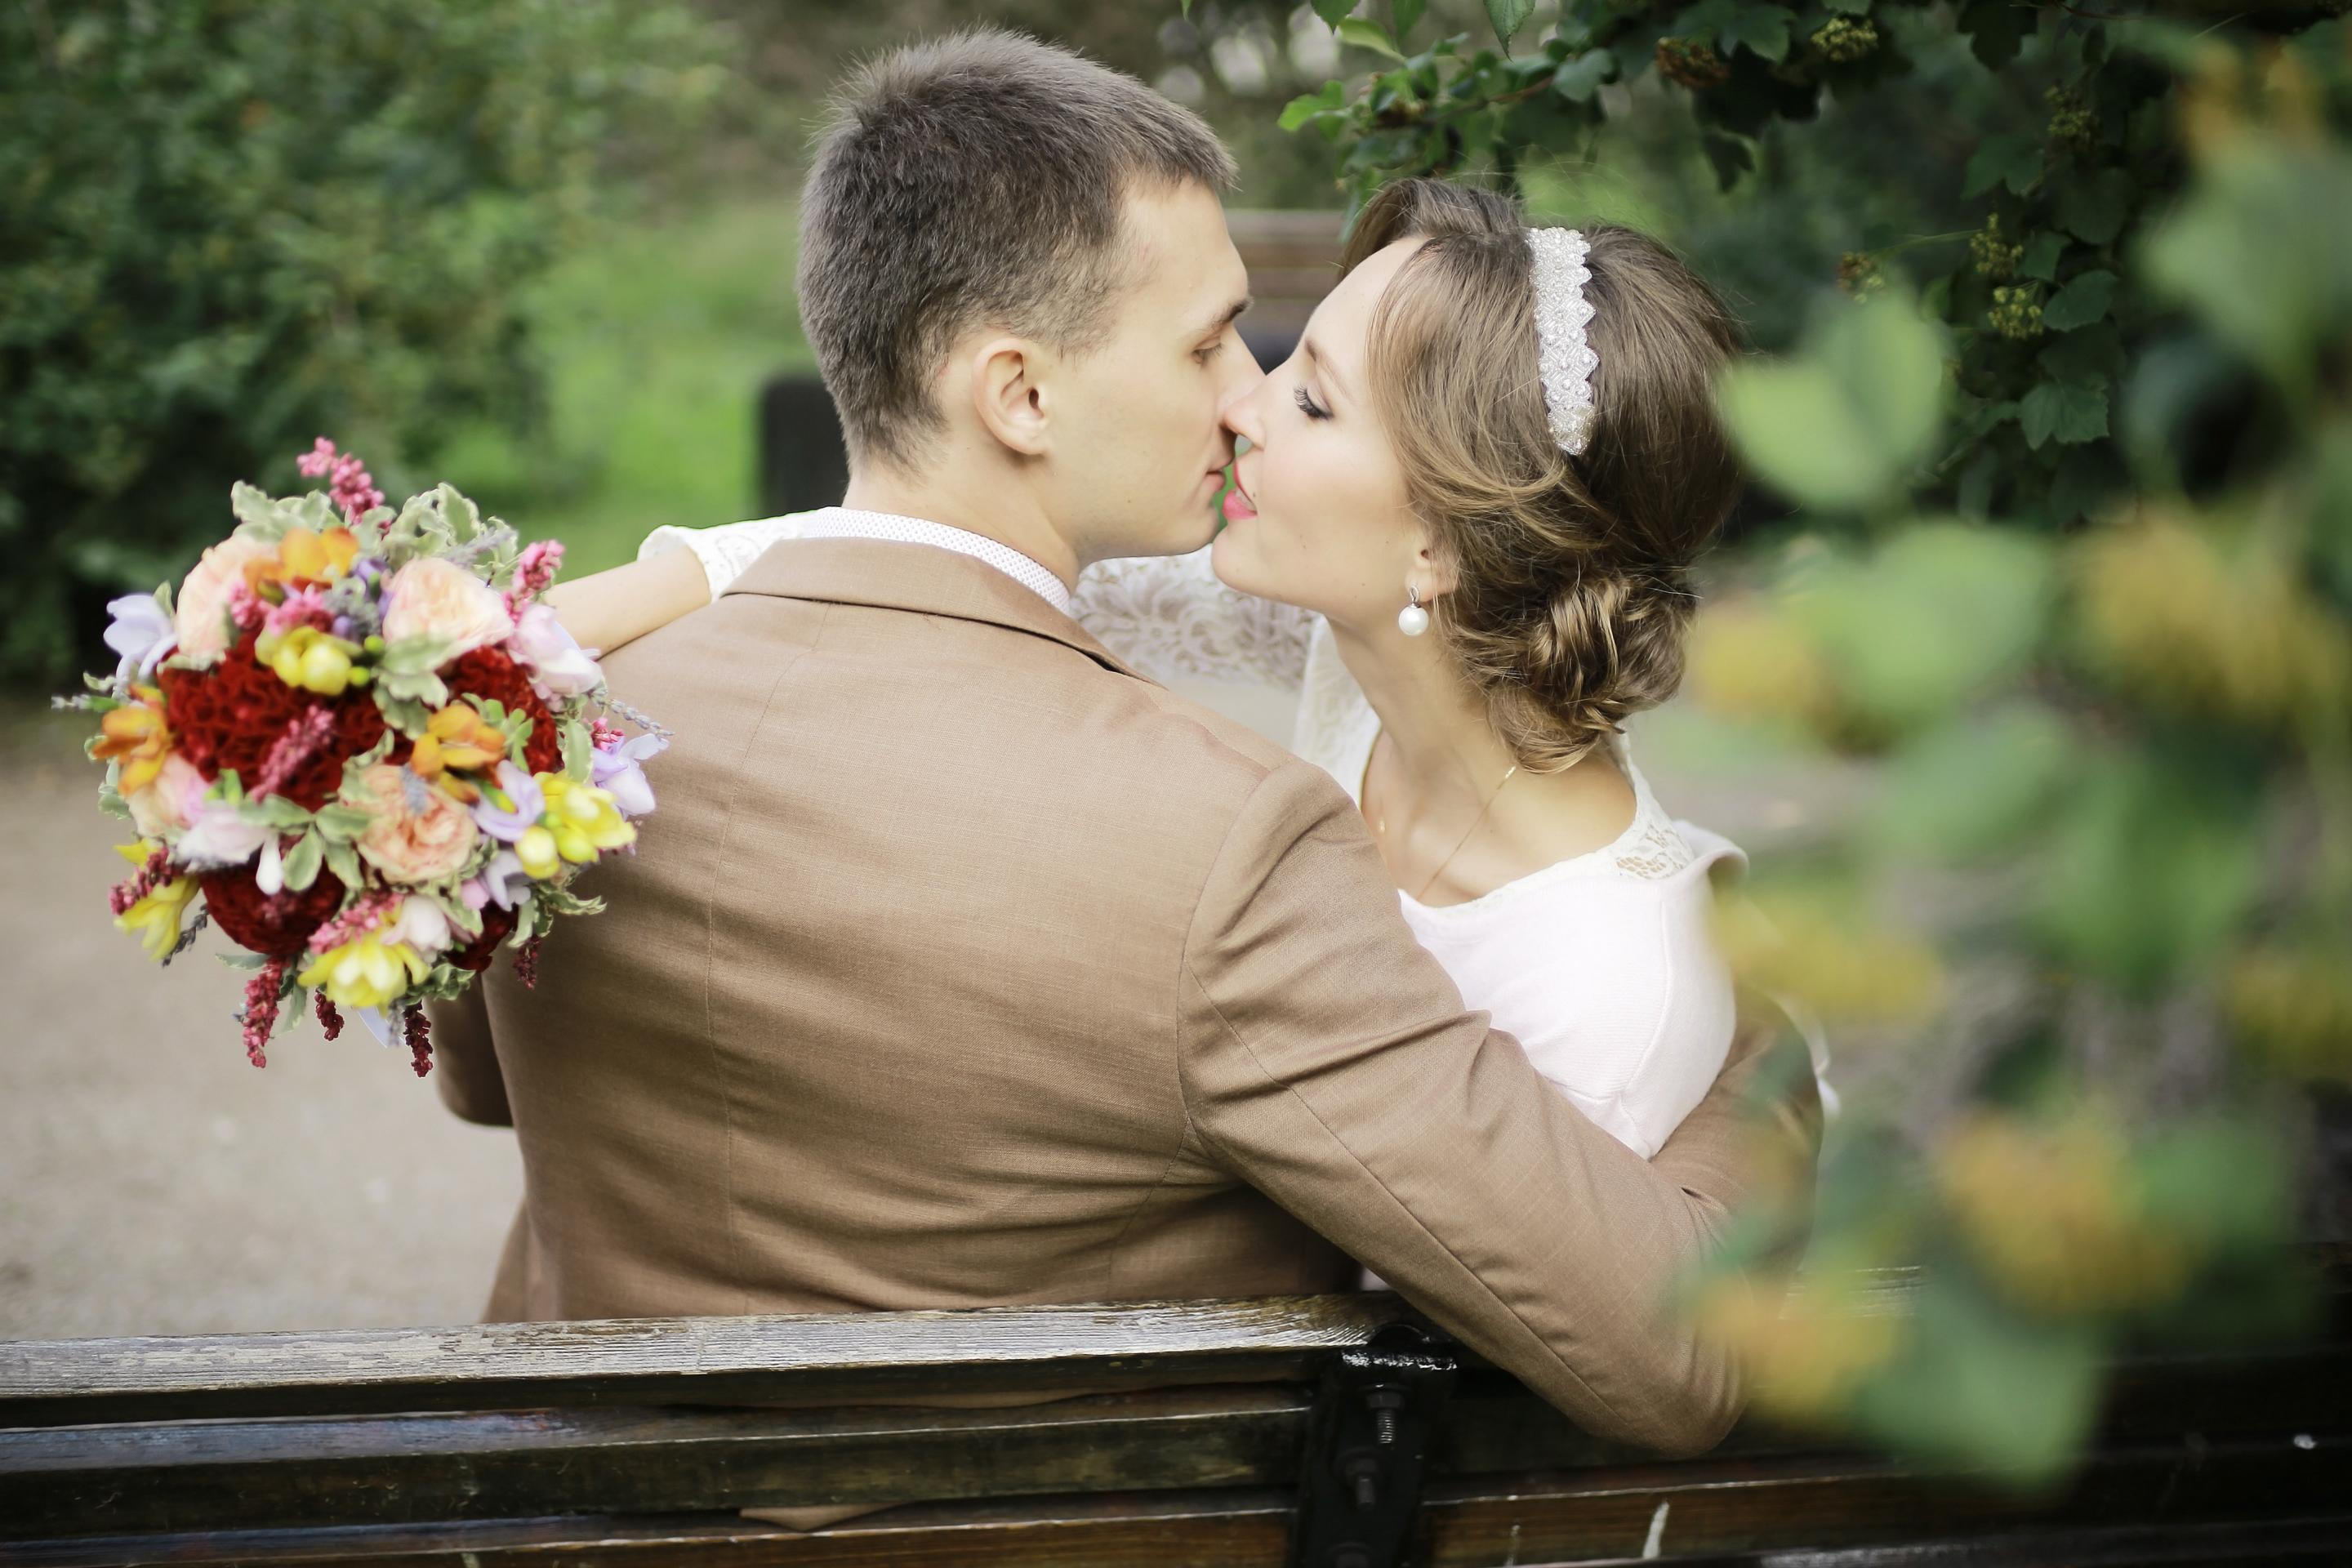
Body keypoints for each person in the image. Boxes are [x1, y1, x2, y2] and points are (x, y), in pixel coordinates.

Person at [432, 28, 1819, 1458]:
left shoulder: (538, 715)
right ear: (1021, 395)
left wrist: (598, 607)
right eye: (1215, 340)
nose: (1244, 393)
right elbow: (1671, 1353)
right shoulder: (1228, 849)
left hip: (556, 1500)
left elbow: (484, 1082)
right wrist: (1764, 1051)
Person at [602, 176, 1760, 1169]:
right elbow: (946, 547)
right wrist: (551, 626)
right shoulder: (1356, 652)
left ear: (1441, 544)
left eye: (1310, 399)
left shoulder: (1602, 983)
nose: (1239, 407)